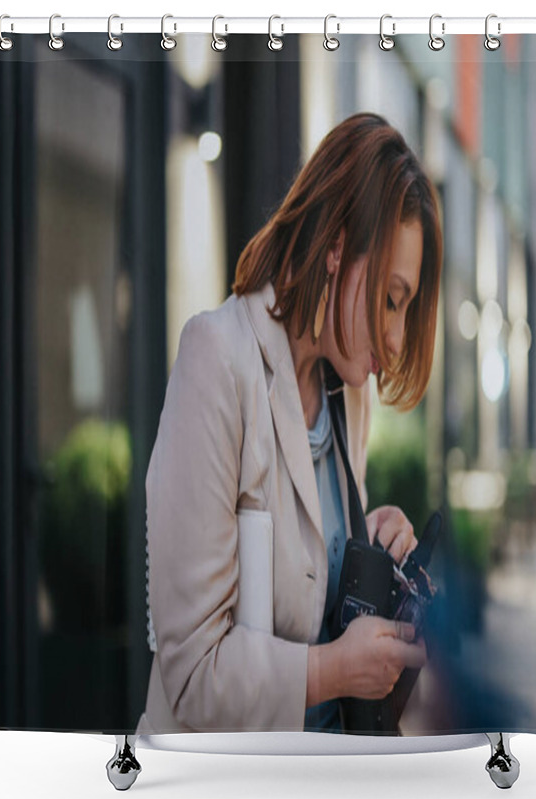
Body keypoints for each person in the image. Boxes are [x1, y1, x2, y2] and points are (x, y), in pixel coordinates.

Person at [135, 112, 443, 734]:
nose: (395, 335)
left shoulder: (346, 393)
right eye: (391, 298)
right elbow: (192, 676)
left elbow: (305, 575)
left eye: (406, 308)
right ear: (335, 248)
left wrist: (363, 543)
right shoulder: (217, 359)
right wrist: (332, 671)